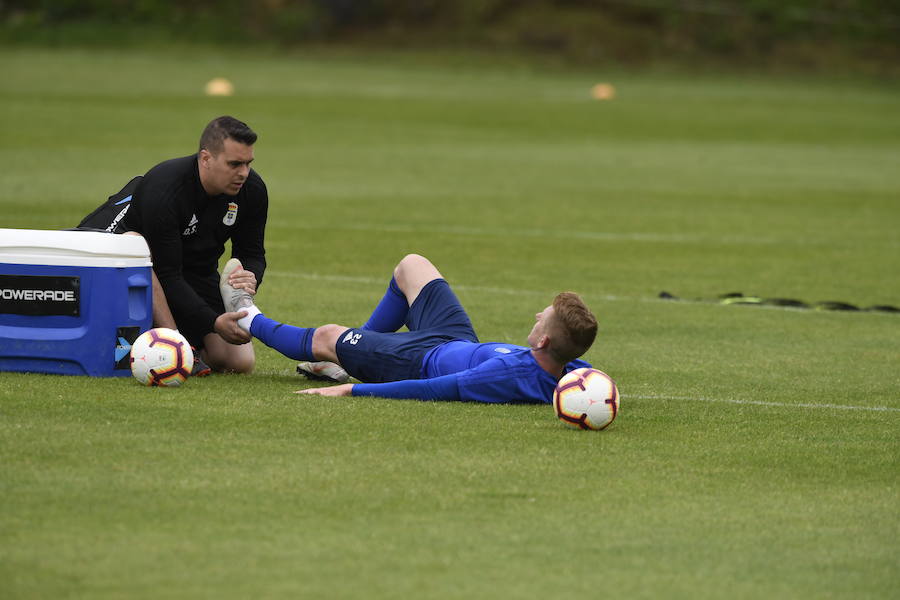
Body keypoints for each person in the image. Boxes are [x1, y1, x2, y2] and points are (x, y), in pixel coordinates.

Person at [218, 254, 598, 403]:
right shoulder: (566, 372)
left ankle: (246, 315)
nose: (536, 315)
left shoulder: (505, 375)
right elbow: (591, 374)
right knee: (412, 266)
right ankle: (352, 355)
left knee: (327, 336)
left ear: (545, 339)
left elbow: (436, 388)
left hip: (418, 361)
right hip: (456, 338)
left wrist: (354, 389)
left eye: (542, 317)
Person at [77, 116, 266, 375]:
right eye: (234, 164)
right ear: (206, 158)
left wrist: (250, 277)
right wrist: (212, 321)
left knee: (238, 362)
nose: (243, 173)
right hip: (132, 262)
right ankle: (176, 345)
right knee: (134, 245)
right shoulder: (165, 187)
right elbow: (168, 274)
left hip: (191, 268)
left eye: (247, 163)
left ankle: (189, 345)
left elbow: (252, 254)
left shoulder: (252, 190)